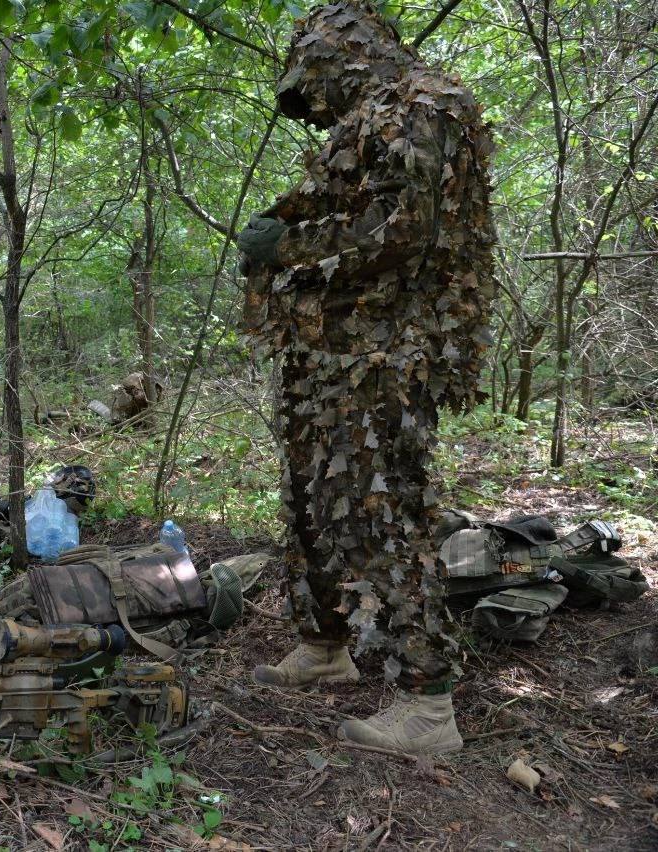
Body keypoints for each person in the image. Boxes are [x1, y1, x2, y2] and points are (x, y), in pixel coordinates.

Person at [235, 1, 497, 755]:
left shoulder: (424, 105)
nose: (310, 107)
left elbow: (403, 229)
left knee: (382, 511)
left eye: (310, 83)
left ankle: (428, 705)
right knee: (312, 500)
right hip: (332, 346)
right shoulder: (367, 118)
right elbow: (349, 205)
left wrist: (290, 244)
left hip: (389, 351)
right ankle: (324, 646)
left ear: (337, 56)